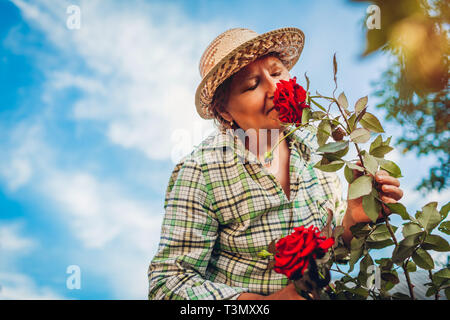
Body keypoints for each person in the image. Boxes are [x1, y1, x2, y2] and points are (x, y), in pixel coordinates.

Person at [147, 27, 403, 300]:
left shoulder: (320, 150)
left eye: (277, 72)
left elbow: (333, 250)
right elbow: (167, 284)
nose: (274, 88)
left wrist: (355, 217)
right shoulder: (201, 171)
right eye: (252, 85)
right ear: (224, 111)